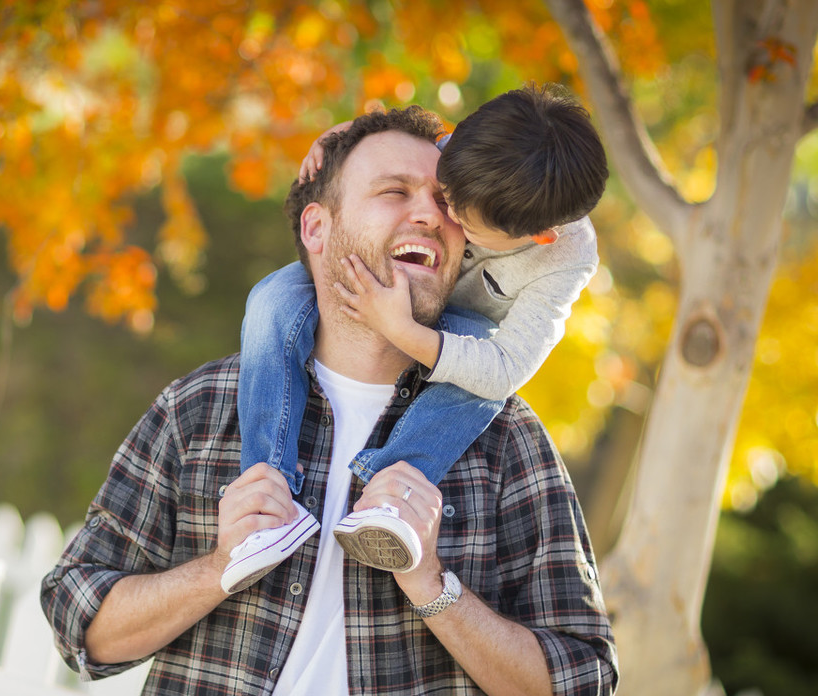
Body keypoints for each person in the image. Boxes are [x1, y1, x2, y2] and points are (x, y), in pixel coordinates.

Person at [41, 105, 617, 696]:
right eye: (393, 192)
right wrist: (218, 570)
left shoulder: (507, 443)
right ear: (317, 228)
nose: (434, 215)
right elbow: (79, 620)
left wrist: (433, 586)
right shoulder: (199, 410)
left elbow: (577, 693)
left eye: (443, 202)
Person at [229, 84, 607, 594]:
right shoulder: (468, 148)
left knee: (479, 385)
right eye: (448, 187)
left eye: (459, 216)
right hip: (390, 295)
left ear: (539, 237)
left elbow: (505, 368)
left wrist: (403, 331)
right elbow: (402, 137)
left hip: (459, 337)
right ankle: (266, 491)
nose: (437, 214)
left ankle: (392, 494)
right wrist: (338, 137)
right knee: (270, 299)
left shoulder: (565, 257)